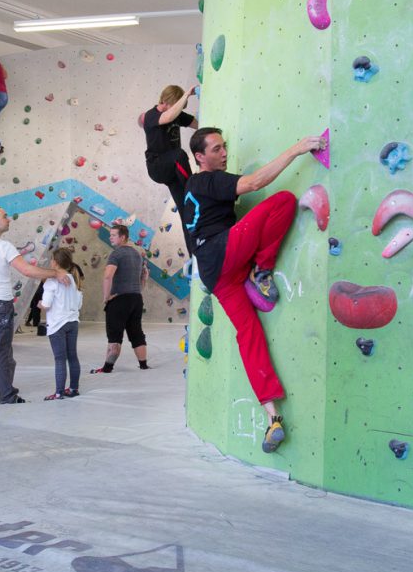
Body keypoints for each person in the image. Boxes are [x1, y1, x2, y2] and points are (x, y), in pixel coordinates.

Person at [182, 127, 324, 454]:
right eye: (216, 149)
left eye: (224, 147)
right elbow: (254, 183)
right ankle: (261, 272)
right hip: (222, 253)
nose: (223, 153)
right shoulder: (205, 179)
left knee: (248, 332)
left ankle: (272, 417)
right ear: (200, 157)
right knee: (284, 202)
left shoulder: (197, 188)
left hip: (217, 275)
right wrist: (297, 148)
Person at [0, 206, 69, 404]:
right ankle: (7, 395)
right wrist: (55, 273)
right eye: (4, 216)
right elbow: (27, 271)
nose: (9, 219)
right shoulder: (4, 247)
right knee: (2, 352)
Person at [142, 85, 199, 253]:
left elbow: (198, 124)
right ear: (166, 101)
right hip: (157, 166)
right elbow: (168, 117)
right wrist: (187, 94)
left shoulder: (176, 115)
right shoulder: (151, 116)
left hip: (173, 170)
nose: (177, 110)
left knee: (186, 210)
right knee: (179, 154)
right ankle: (194, 185)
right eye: (175, 106)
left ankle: (193, 253)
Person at [92, 224, 150, 374]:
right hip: (136, 298)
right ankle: (143, 365)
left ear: (122, 237)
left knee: (114, 335)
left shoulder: (116, 254)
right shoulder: (137, 254)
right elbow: (143, 278)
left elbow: (107, 276)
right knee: (136, 332)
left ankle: (107, 368)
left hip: (119, 299)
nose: (110, 237)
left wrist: (106, 297)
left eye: (113, 235)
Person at [39, 248, 83, 401]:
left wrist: (40, 304)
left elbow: (46, 304)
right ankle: (73, 388)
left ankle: (58, 393)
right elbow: (79, 303)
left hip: (58, 324)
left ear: (55, 262)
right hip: (73, 322)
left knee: (59, 359)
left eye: (52, 259)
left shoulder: (52, 281)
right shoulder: (73, 279)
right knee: (72, 357)